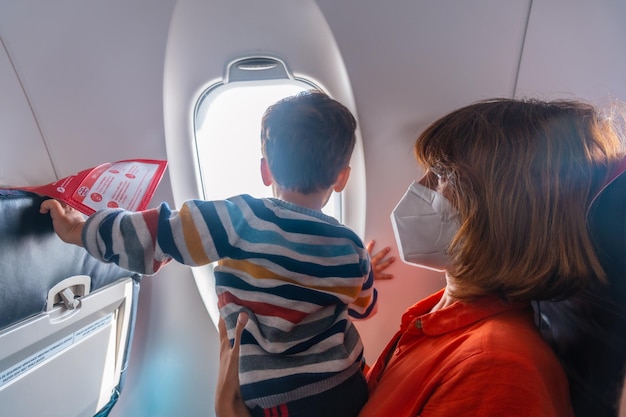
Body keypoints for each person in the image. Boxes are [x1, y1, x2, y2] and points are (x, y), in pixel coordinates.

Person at [215, 97, 626, 417]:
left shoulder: (496, 373)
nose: (420, 186)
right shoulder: (439, 316)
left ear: (504, 213)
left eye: (443, 176)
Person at [40, 90, 390, 417]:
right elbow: (364, 307)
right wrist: (363, 271)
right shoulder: (349, 246)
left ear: (265, 169)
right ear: (342, 178)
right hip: (345, 386)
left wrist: (81, 230)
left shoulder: (238, 218)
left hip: (277, 398)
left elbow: (155, 233)